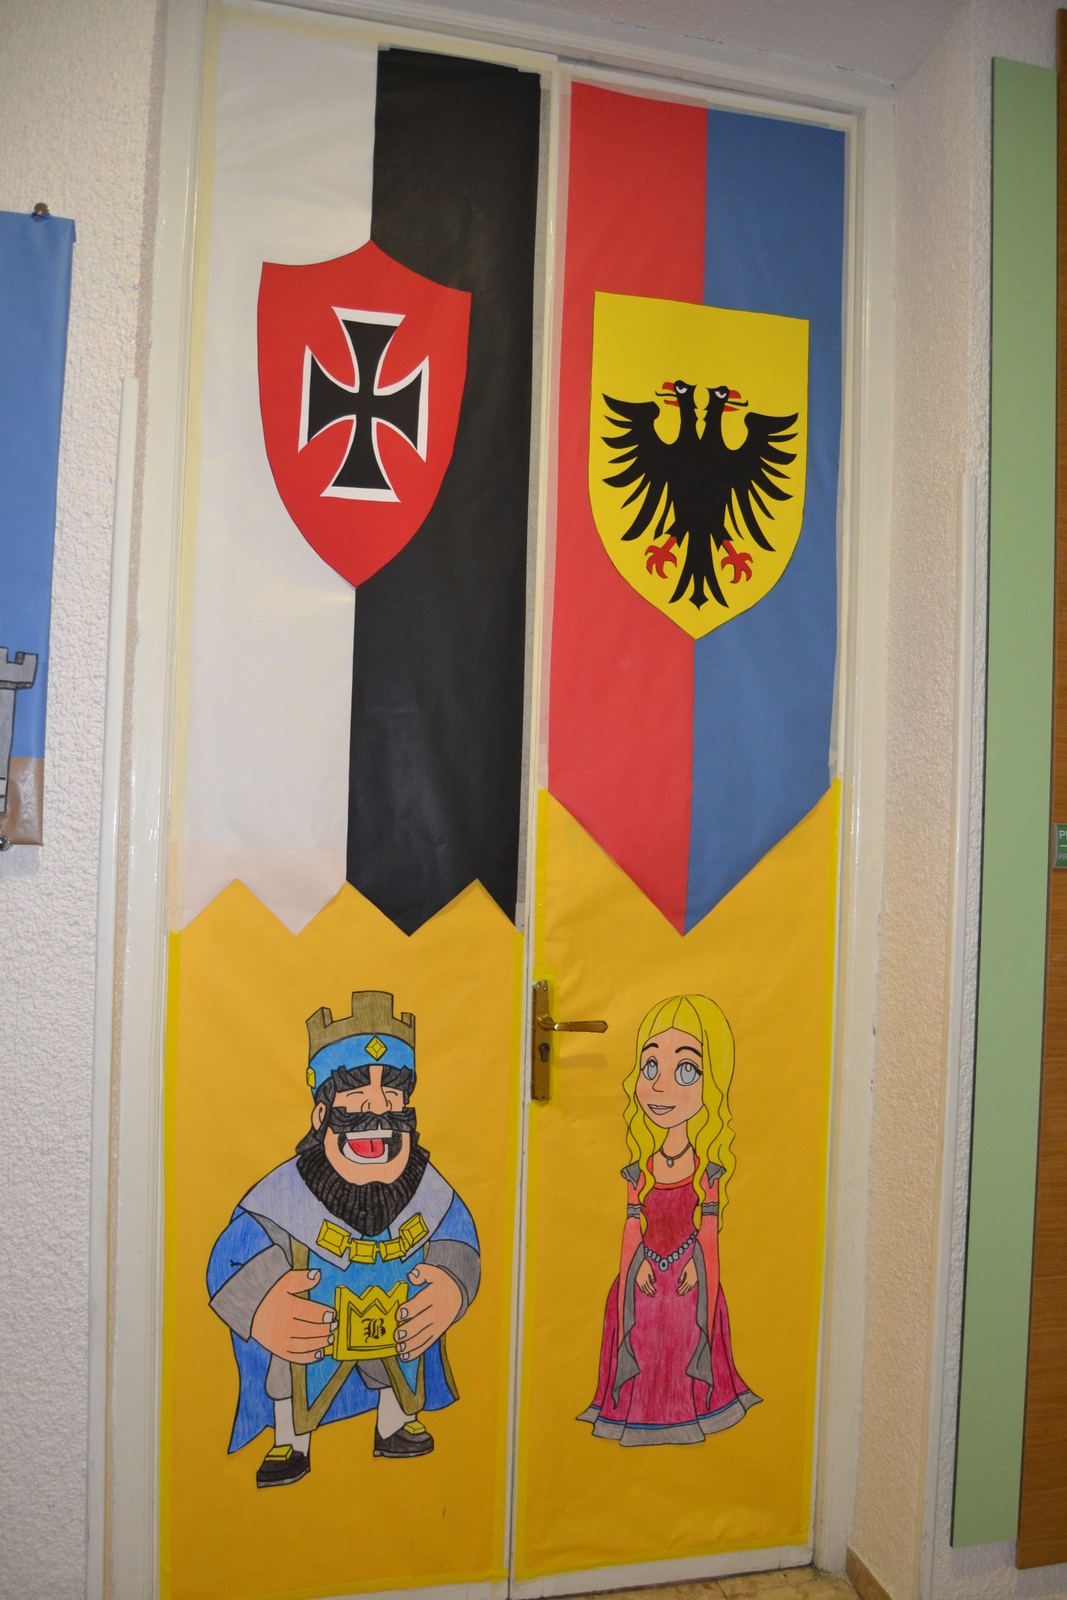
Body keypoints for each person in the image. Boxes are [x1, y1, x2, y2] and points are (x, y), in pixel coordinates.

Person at [207, 991, 480, 1486]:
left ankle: (395, 1423)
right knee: (291, 1370)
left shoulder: (428, 1189)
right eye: (356, 1103)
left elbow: (457, 1236)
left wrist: (450, 1287)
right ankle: (291, 1442)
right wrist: (263, 1307)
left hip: (394, 1321)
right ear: (322, 1117)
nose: (378, 1115)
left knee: (402, 1361)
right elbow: (232, 1254)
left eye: (392, 1102)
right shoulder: (281, 1195)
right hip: (314, 1330)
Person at [579, 993, 759, 1446]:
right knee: (641, 1328)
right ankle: (639, 1417)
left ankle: (683, 1417)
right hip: (641, 1279)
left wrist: (698, 1269)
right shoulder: (639, 1171)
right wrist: (636, 1264)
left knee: (679, 1328)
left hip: (688, 1282)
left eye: (686, 1070)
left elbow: (709, 1234)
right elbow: (631, 1227)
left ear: (712, 1080)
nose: (660, 1087)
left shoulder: (707, 1172)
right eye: (650, 1067)